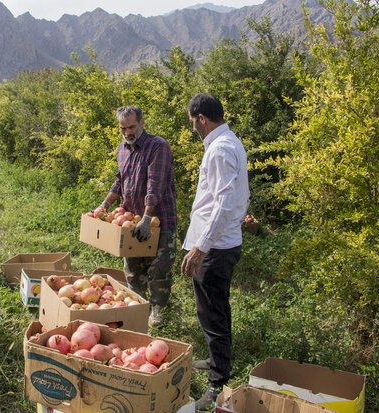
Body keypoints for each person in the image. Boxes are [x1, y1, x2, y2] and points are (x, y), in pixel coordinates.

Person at [180, 93, 250, 410]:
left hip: (216, 248)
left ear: (202, 119)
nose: (193, 127)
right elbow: (238, 196)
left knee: (212, 314)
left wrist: (200, 248)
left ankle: (218, 382)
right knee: (215, 309)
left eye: (192, 121)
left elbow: (222, 204)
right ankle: (215, 360)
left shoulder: (220, 149)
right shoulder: (228, 142)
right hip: (221, 242)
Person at [98, 105, 177, 327]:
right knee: (133, 270)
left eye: (131, 127)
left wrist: (146, 219)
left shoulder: (157, 147)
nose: (127, 132)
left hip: (159, 220)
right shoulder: (122, 149)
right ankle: (138, 307)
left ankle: (158, 309)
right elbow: (120, 181)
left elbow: (155, 186)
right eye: (122, 128)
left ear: (142, 122)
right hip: (132, 221)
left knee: (159, 269)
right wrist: (104, 205)